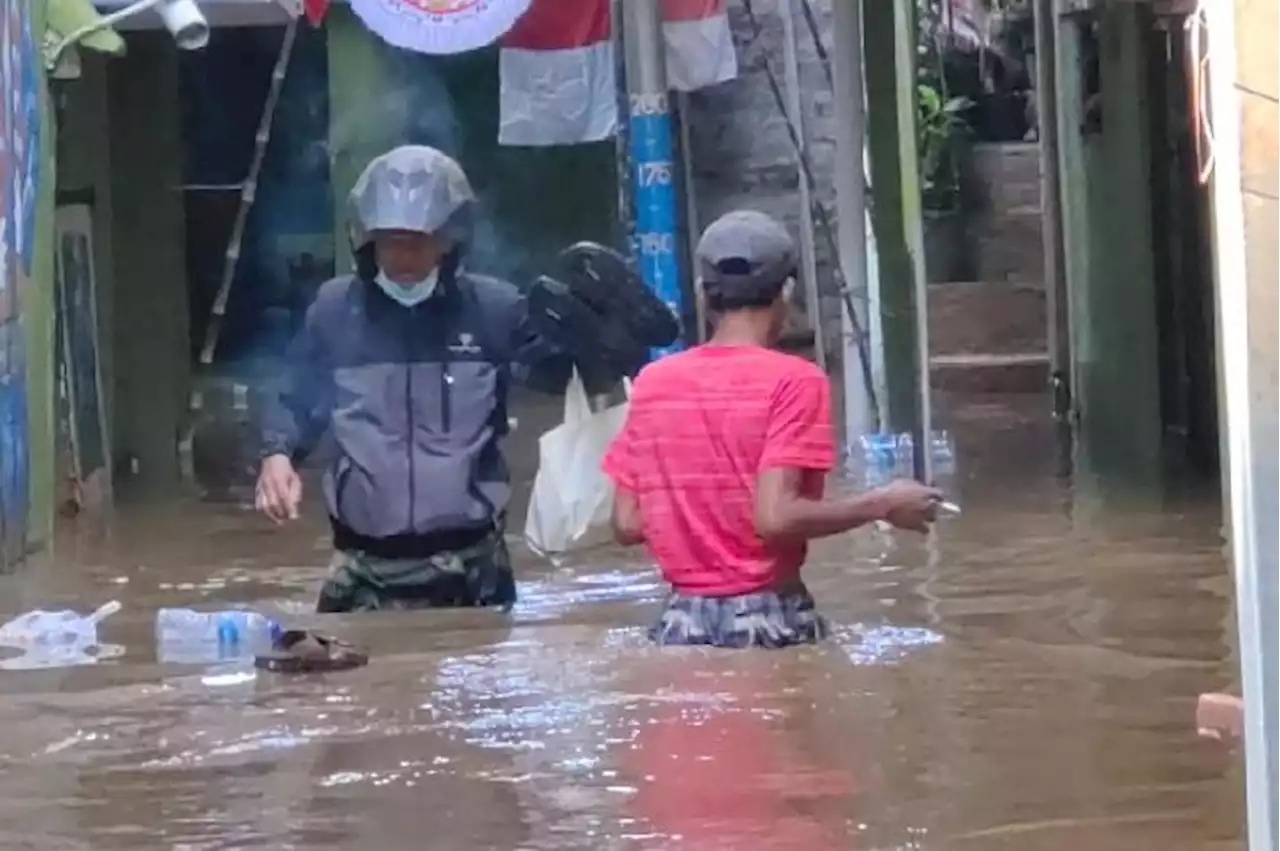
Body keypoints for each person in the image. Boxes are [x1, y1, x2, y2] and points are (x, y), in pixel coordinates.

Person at [601, 209, 942, 649]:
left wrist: (699, 508)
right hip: (768, 619)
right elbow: (775, 517)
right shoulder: (795, 381)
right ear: (787, 292)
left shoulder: (653, 382)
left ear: (704, 295)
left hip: (678, 625)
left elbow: (627, 523)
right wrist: (882, 503)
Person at [256, 145, 574, 613]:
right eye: (391, 241)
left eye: (418, 240)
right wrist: (277, 454)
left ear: (448, 239)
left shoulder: (495, 309)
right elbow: (296, 397)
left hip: (472, 566)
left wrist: (579, 336)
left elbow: (556, 377)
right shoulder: (334, 310)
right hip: (364, 566)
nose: (403, 255)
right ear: (368, 241)